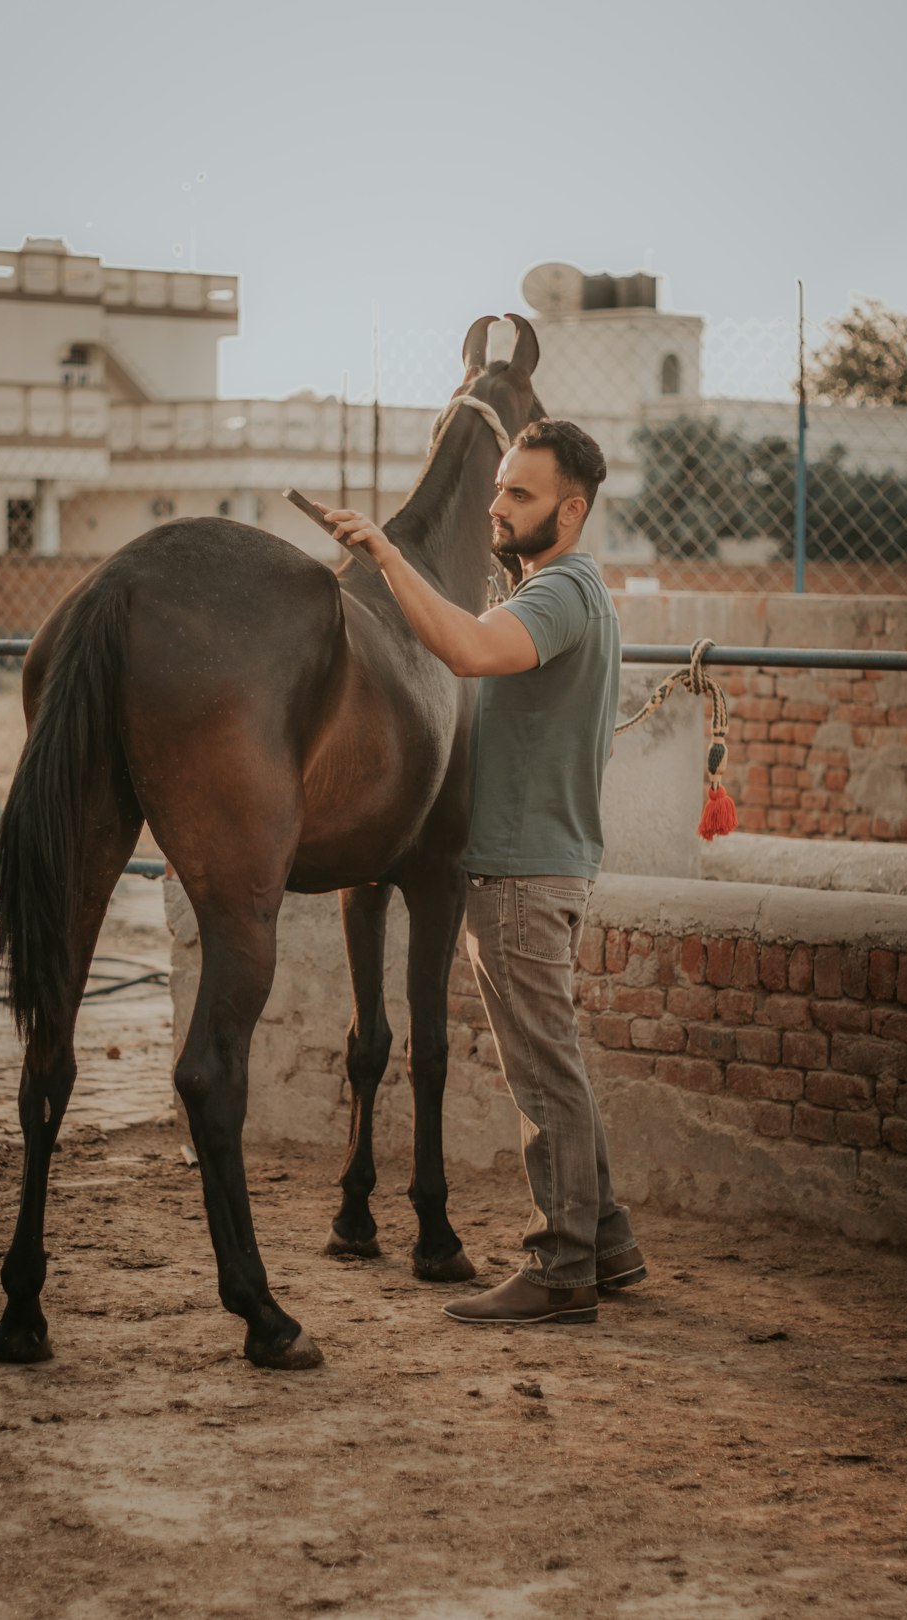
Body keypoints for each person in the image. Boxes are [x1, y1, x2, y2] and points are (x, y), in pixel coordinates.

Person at [323, 417, 644, 1327]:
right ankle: (609, 1242)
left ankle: (562, 1267)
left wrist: (387, 556)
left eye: (521, 493)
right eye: (499, 487)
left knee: (544, 1080)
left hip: (523, 882)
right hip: (545, 870)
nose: (497, 506)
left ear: (571, 510)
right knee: (559, 1064)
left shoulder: (557, 595)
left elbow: (463, 649)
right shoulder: (567, 588)